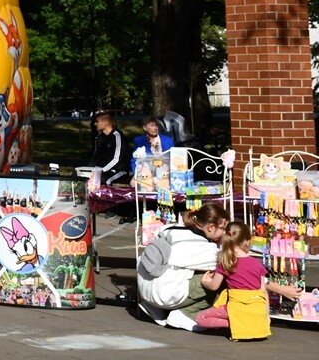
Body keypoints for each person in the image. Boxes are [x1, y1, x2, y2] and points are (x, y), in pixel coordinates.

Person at [137, 201, 230, 330]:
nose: (225, 233)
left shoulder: (170, 228)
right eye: (223, 228)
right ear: (210, 227)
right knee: (220, 277)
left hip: (145, 290)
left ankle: (155, 308)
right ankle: (185, 315)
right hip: (164, 295)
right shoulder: (201, 245)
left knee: (177, 271)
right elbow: (225, 263)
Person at [197, 221, 300, 336]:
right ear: (247, 242)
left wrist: (205, 281)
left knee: (201, 318)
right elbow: (263, 292)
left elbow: (213, 285)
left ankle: (237, 324)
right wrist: (266, 316)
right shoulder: (257, 264)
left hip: (236, 308)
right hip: (257, 310)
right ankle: (247, 323)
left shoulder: (226, 262)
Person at [89, 111, 130, 184]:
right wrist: (89, 169)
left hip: (118, 170)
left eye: (97, 121)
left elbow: (116, 159)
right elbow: (96, 157)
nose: (95, 124)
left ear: (105, 122)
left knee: (103, 179)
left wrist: (101, 170)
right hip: (101, 170)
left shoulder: (117, 136)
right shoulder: (99, 138)